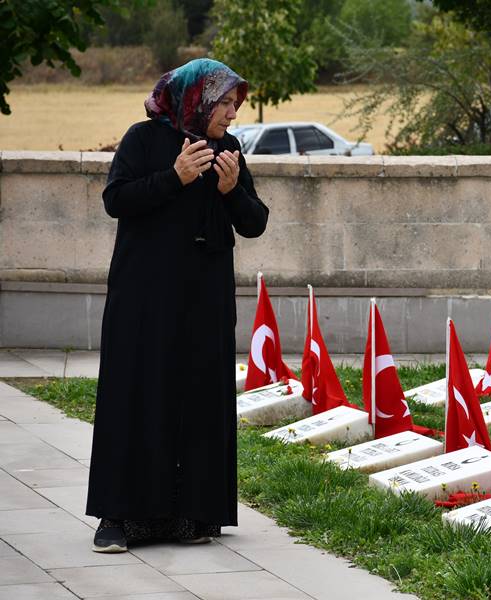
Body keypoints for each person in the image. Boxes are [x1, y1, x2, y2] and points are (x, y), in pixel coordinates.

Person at [86, 59, 269, 552]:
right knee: (138, 393)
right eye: (226, 103)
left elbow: (255, 222)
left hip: (204, 300)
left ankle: (192, 515)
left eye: (234, 104)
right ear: (198, 99)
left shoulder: (228, 150)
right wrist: (173, 177)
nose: (232, 114)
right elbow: (117, 200)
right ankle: (117, 518)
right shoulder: (142, 139)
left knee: (198, 398)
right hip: (144, 299)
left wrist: (231, 193)